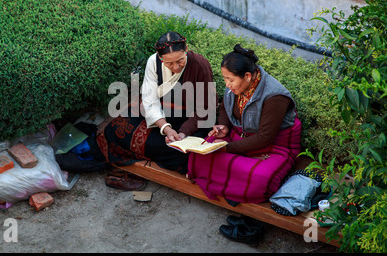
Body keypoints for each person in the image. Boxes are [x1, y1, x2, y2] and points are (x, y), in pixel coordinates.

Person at [96, 31, 217, 189]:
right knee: (117, 129)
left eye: (180, 60)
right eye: (169, 63)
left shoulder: (200, 65)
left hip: (190, 120)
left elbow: (205, 108)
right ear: (161, 58)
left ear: (186, 49)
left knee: (184, 153)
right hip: (160, 115)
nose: (175, 67)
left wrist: (182, 133)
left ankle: (146, 161)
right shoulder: (153, 62)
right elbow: (149, 99)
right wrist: (166, 128)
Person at [187, 44, 302, 205]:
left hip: (274, 147)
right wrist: (224, 126)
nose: (227, 84)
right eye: (225, 79)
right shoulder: (235, 87)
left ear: (247, 76)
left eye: (230, 79)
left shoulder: (275, 96)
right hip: (238, 137)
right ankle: (233, 187)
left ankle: (231, 186)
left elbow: (264, 138)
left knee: (260, 179)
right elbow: (226, 108)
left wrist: (226, 147)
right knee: (199, 155)